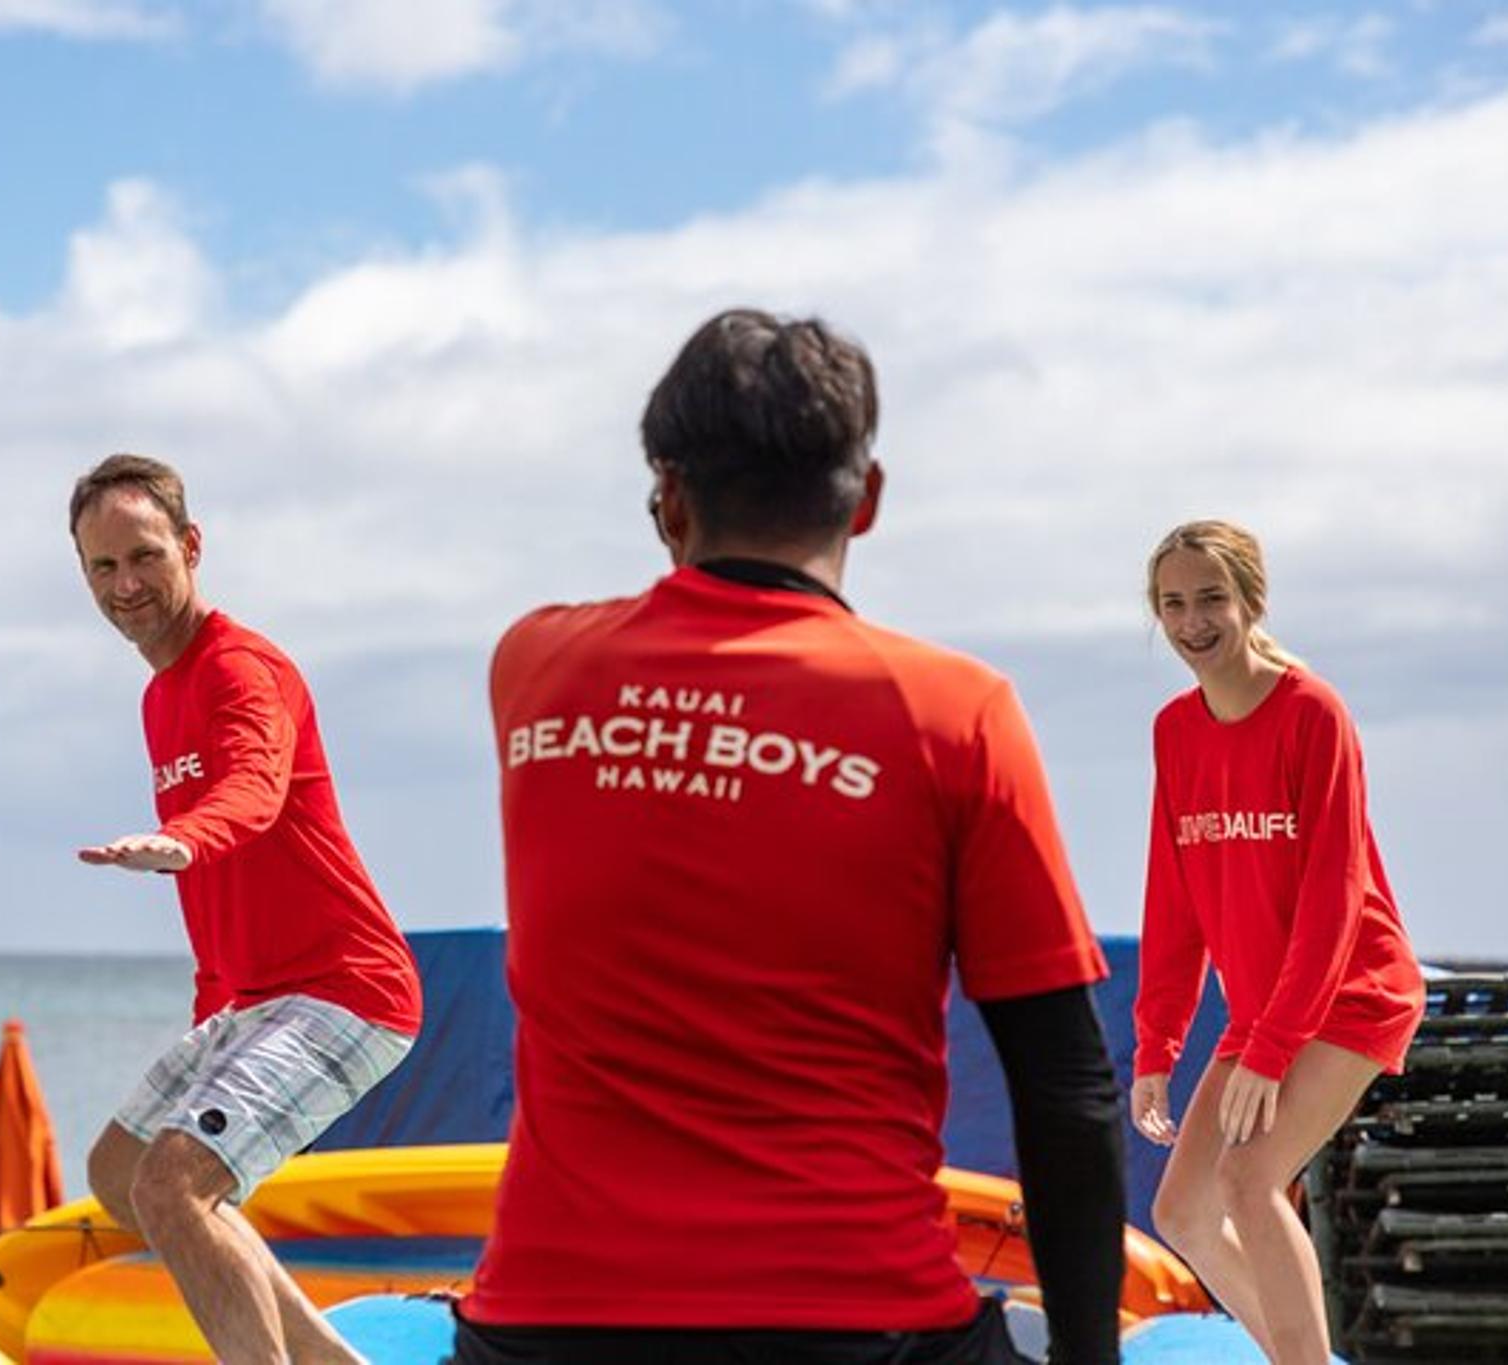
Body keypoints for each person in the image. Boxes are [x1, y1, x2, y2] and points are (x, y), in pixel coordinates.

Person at [455, 309, 1127, 1365]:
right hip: (859, 1326)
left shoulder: (533, 670)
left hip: (546, 1327)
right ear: (865, 502)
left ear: (666, 498)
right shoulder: (954, 712)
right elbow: (1066, 1088)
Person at [69, 453, 423, 1365]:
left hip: (349, 989)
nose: (127, 584)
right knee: (121, 1171)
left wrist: (187, 837)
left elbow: (255, 792)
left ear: (191, 546)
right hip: (259, 996)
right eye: (103, 567)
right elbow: (215, 900)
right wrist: (209, 1018)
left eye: (144, 556)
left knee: (178, 1185)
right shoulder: (160, 695)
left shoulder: (243, 668)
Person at [1130, 519, 1425, 1365]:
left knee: (1248, 1183)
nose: (1193, 621)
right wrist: (1159, 1042)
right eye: (1173, 603)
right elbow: (1174, 899)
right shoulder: (1175, 731)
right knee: (1182, 1209)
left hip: (1355, 990)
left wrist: (1270, 1049)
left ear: (1251, 601)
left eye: (1211, 598)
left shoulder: (1312, 712)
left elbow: (1338, 897)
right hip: (1265, 1006)